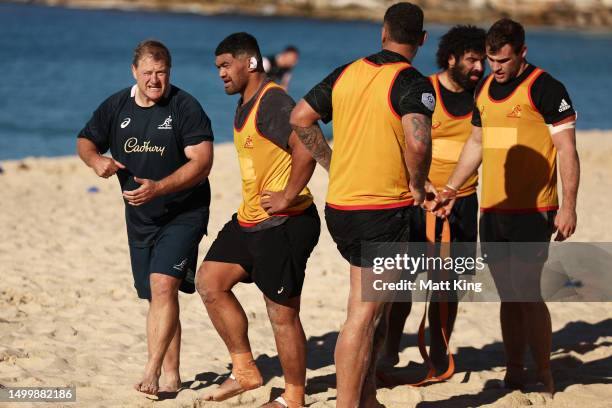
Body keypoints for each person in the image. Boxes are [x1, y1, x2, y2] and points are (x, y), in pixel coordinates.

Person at [290, 3, 434, 406]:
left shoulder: (347, 72)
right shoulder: (412, 81)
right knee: (364, 316)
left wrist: (332, 164)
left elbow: (301, 117)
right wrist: (418, 185)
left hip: (342, 206)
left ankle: (367, 397)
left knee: (368, 309)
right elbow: (418, 142)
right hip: (382, 211)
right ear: (422, 40)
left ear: (383, 32)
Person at [435, 18, 580, 394]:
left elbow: (567, 150)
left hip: (534, 212)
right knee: (507, 294)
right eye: (490, 59)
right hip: (493, 212)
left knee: (528, 294)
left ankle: (544, 374)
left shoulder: (545, 88)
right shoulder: (483, 88)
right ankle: (515, 370)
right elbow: (476, 144)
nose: (494, 68)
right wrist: (451, 187)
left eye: (502, 60)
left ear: (522, 53)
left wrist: (569, 207)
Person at [76, 40, 214, 396]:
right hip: (140, 218)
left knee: (163, 285)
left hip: (184, 211)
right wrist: (96, 161)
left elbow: (202, 162)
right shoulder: (117, 105)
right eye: (148, 72)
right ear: (134, 72)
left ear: (170, 72)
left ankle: (151, 372)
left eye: (162, 72)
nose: (155, 80)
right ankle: (172, 374)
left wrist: (160, 188)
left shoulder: (185, 107)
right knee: (158, 295)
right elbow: (85, 140)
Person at [196, 32, 320, 408]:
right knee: (210, 281)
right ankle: (246, 368)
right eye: (217, 67)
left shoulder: (273, 102)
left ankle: (294, 396)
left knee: (281, 314)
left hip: (285, 222)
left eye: (225, 65)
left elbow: (309, 143)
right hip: (250, 218)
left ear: (249, 63)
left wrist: (287, 195)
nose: (220, 73)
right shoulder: (245, 101)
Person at [380, 24, 486, 380]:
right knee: (401, 282)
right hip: (417, 200)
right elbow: (400, 142)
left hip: (463, 202)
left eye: (483, 61)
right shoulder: (424, 90)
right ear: (452, 58)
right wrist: (417, 186)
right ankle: (390, 347)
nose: (479, 68)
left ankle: (440, 352)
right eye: (473, 60)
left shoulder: (483, 95)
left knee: (449, 287)